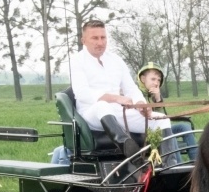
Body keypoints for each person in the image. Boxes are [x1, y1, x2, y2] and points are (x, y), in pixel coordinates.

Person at [69, 20, 172, 163]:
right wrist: (116, 98)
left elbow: (131, 89)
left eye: (103, 37)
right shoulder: (77, 60)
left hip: (118, 114)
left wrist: (141, 104)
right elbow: (82, 94)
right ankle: (128, 148)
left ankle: (169, 164)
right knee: (102, 105)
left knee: (161, 119)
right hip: (91, 115)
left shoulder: (116, 60)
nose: (100, 42)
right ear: (83, 40)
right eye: (95, 38)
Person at [136, 62, 198, 164]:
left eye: (158, 80)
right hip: (147, 132)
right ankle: (177, 165)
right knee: (170, 134)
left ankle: (196, 161)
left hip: (160, 128)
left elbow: (163, 116)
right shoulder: (138, 95)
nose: (156, 83)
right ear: (143, 79)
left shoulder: (155, 96)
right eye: (153, 79)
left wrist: (158, 99)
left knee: (184, 126)